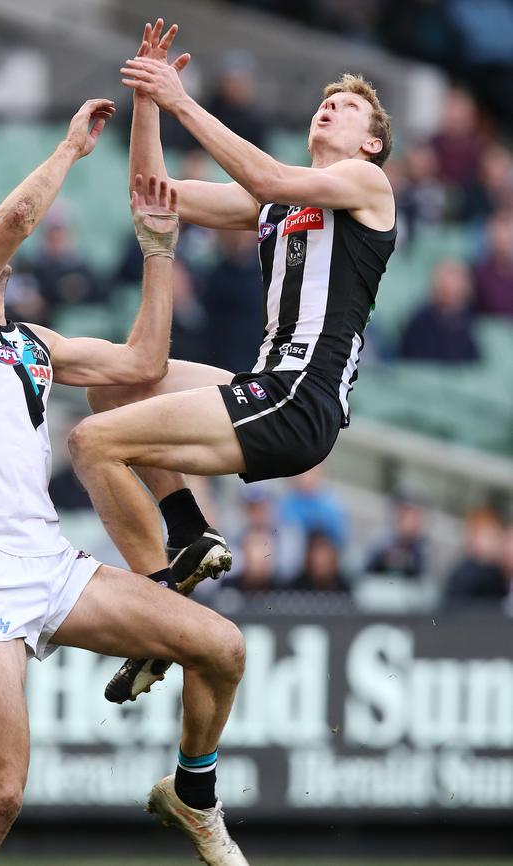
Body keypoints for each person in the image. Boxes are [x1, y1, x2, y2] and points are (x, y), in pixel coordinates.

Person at [0, 98, 247, 866]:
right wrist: (67, 150)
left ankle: (194, 795)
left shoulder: (32, 343)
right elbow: (19, 219)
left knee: (222, 648)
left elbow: (144, 364)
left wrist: (159, 247)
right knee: (0, 797)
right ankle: (163, 565)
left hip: (54, 566)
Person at [70, 19, 395, 703]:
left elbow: (269, 172)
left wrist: (183, 98)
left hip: (299, 401)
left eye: (349, 106)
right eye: (324, 100)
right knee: (117, 383)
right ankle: (189, 536)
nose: (329, 105)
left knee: (89, 444)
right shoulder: (274, 203)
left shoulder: (367, 184)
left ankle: (159, 614)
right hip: (270, 385)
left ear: (371, 142)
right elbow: (151, 192)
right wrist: (151, 105)